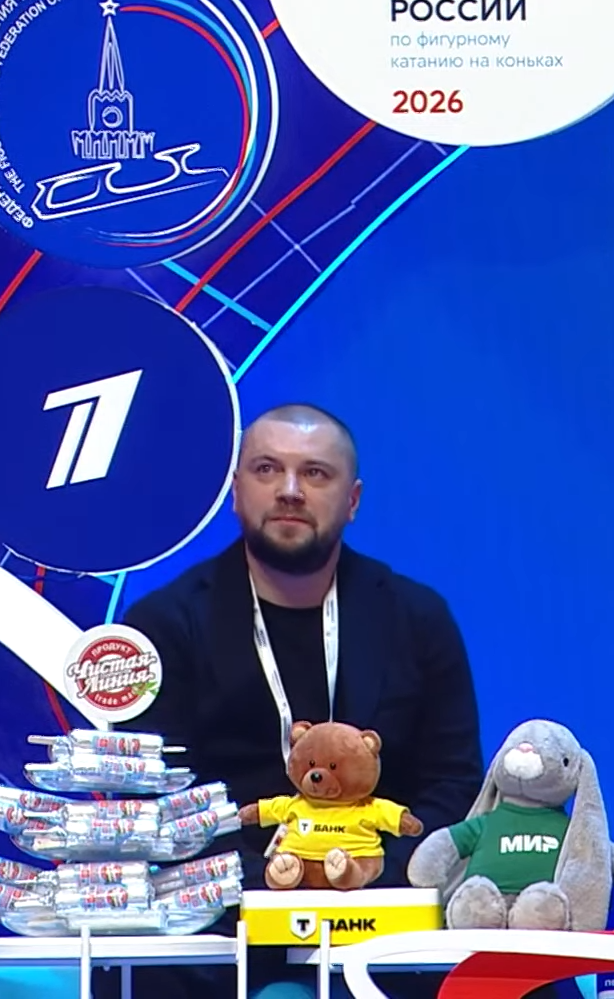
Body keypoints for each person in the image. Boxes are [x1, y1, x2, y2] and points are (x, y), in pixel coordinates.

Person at [116, 403, 485, 998]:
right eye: (267, 469)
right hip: (218, 931)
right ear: (236, 492)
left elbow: (454, 784)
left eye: (315, 473)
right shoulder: (163, 624)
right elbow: (159, 798)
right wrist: (271, 883)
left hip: (385, 922)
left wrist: (367, 877)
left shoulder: (417, 619)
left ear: (353, 500)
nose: (289, 490)